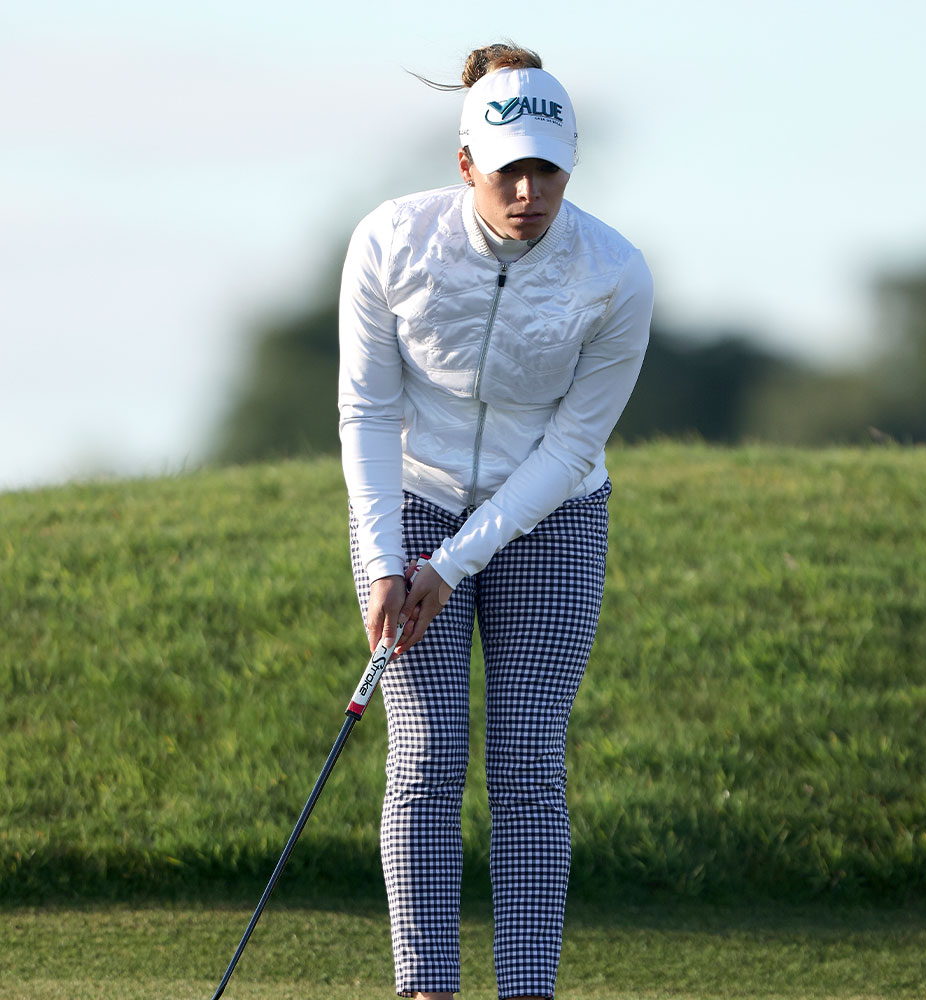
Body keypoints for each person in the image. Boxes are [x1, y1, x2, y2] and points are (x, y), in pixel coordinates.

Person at [338, 42, 654, 1000]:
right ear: (466, 163)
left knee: (524, 762)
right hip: (414, 494)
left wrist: (458, 562)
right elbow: (366, 411)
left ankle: (525, 990)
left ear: (569, 168)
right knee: (427, 755)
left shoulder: (616, 274)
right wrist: (389, 557)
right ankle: (426, 988)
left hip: (552, 513)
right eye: (508, 168)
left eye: (547, 170)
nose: (529, 191)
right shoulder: (392, 241)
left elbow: (568, 448)